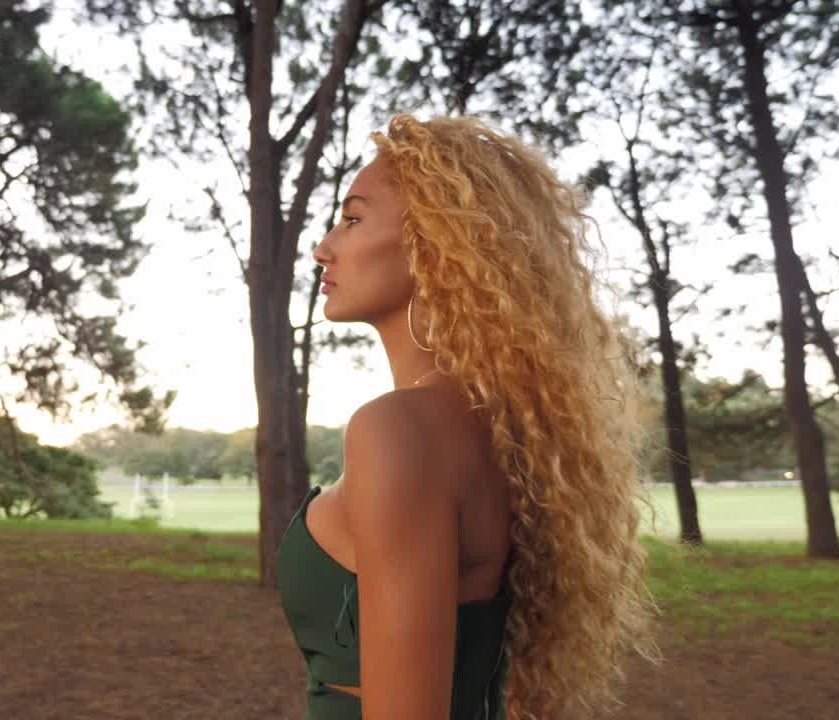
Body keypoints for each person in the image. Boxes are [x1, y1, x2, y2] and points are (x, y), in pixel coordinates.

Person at [275, 114, 663, 720]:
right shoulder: (498, 427)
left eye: (352, 219)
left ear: (435, 242)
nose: (324, 246)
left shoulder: (397, 430)